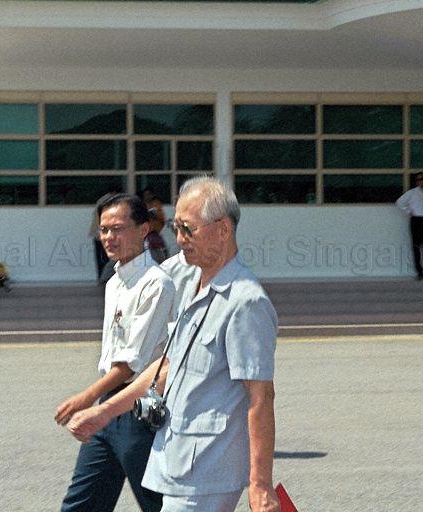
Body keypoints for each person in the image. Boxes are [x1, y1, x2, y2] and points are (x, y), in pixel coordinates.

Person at [68, 177, 280, 512]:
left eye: (187, 229)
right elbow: (166, 367)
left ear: (223, 230)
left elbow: (260, 397)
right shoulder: (188, 280)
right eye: (175, 227)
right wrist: (103, 412)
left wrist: (260, 483)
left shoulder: (245, 301)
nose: (179, 239)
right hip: (177, 461)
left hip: (209, 471)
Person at [57, 193, 174, 512]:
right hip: (108, 406)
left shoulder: (156, 283)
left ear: (144, 229)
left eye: (118, 228)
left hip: (140, 410)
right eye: (104, 229)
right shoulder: (114, 282)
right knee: (81, 503)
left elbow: (131, 364)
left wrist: (85, 398)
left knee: (160, 505)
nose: (108, 237)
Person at [142, 189, 168, 264]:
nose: (162, 214)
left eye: (161, 210)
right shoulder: (153, 241)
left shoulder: (157, 237)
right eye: (159, 210)